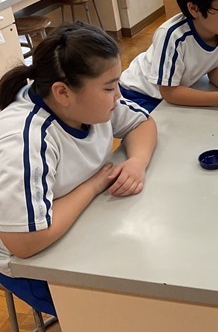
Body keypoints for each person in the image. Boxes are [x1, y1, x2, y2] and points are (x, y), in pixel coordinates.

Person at [0, 22, 157, 317]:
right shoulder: (26, 139)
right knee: (124, 310)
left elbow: (142, 122)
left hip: (77, 223)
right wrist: (92, 186)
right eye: (109, 87)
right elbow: (24, 241)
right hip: (29, 264)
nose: (118, 95)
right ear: (63, 92)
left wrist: (137, 162)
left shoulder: (88, 104)